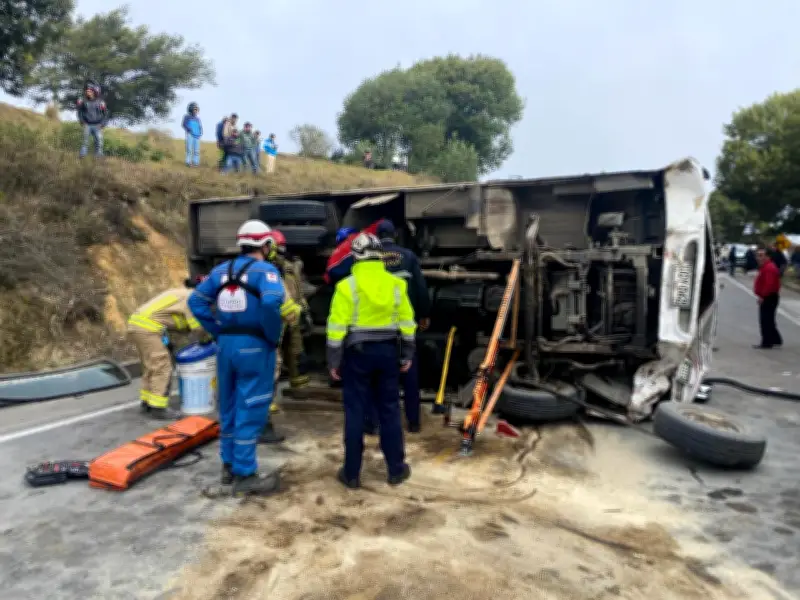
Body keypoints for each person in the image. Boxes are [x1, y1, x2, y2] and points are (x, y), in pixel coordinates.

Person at [188, 219, 301, 495]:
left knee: (228, 407)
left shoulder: (220, 271)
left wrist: (217, 331)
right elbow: (272, 302)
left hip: (226, 346)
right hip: (255, 345)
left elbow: (196, 302)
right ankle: (246, 474)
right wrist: (271, 335)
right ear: (266, 244)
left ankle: (228, 466)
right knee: (251, 407)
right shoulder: (267, 272)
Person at [326, 233, 415, 489]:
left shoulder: (346, 286)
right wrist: (407, 353)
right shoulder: (396, 284)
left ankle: (351, 473)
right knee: (389, 410)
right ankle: (396, 470)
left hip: (357, 354)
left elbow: (336, 328)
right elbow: (407, 323)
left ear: (355, 256)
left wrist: (334, 360)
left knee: (355, 411)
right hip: (388, 352)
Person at [364, 219, 431, 433]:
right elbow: (420, 287)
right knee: (409, 374)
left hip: (377, 325)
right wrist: (424, 314)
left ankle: (373, 423)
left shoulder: (370, 259)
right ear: (395, 235)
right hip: (403, 325)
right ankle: (413, 421)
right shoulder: (408, 257)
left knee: (375, 376)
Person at [127, 283, 206, 419]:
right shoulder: (192, 298)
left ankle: (147, 402)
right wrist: (207, 339)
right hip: (148, 329)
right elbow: (197, 327)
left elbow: (169, 319)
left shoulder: (180, 293)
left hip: (137, 326)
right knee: (162, 366)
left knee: (150, 366)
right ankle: (158, 408)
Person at [265, 229, 311, 391]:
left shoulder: (289, 266)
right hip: (277, 317)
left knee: (296, 351)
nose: (283, 250)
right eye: (280, 246)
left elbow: (298, 291)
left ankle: (299, 386)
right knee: (273, 357)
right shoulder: (267, 270)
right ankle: (268, 394)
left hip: (293, 315)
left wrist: (304, 310)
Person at [753, 246, 783, 350]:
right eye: (757, 255)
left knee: (765, 320)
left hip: (769, 296)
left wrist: (763, 296)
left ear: (767, 256)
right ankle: (776, 339)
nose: (758, 258)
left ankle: (767, 342)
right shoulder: (765, 266)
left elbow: (769, 284)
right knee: (769, 319)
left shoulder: (769, 268)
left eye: (761, 255)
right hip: (769, 296)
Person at [76, 82, 108, 158]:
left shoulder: (101, 102)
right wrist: (82, 121)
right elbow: (79, 112)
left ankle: (98, 156)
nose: (88, 92)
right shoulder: (83, 101)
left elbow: (105, 114)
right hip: (87, 124)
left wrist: (103, 124)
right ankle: (82, 155)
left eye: (89, 91)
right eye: (87, 91)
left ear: (93, 92)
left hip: (97, 125)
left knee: (99, 142)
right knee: (85, 141)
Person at [182, 102, 203, 167]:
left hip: (197, 136)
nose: (196, 111)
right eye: (195, 109)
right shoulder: (187, 117)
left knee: (196, 150)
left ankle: (195, 163)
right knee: (189, 149)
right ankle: (188, 162)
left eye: (197, 109)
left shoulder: (198, 119)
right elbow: (184, 124)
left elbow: (200, 127)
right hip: (190, 135)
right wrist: (189, 129)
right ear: (191, 109)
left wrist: (200, 133)